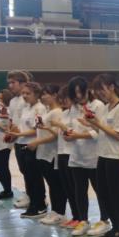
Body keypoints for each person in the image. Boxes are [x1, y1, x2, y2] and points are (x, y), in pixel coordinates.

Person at [83, 74, 119, 237]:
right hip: (103, 155)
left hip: (116, 157)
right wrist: (91, 123)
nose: (100, 93)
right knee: (104, 194)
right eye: (97, 91)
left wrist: (98, 124)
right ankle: (115, 227)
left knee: (116, 195)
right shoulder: (106, 107)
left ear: (111, 87)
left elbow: (118, 135)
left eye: (102, 89)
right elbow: (102, 130)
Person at [64, 77, 108, 237]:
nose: (78, 96)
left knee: (100, 190)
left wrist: (79, 135)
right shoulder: (73, 108)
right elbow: (70, 127)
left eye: (80, 92)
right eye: (74, 93)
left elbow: (100, 131)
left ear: (87, 90)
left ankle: (104, 220)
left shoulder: (98, 106)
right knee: (79, 191)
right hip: (77, 156)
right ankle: (83, 220)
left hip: (95, 157)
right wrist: (68, 135)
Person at [29, 85, 67, 225]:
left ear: (55, 95)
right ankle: (55, 211)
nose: (43, 97)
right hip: (43, 153)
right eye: (43, 94)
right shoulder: (47, 111)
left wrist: (37, 142)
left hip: (52, 153)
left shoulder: (57, 112)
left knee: (56, 184)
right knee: (51, 184)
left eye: (46, 94)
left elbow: (56, 134)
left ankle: (60, 212)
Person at [10, 82, 48, 218]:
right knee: (27, 176)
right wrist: (14, 132)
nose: (25, 96)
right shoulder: (26, 107)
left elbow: (37, 130)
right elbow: (22, 127)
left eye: (28, 93)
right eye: (23, 93)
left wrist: (19, 134)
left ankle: (40, 205)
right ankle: (33, 203)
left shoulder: (40, 108)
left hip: (32, 145)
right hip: (21, 144)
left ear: (36, 94)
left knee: (35, 176)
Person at [51, 88, 78, 229]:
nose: (63, 101)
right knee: (67, 188)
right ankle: (75, 216)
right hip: (61, 152)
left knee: (74, 188)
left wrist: (60, 125)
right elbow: (60, 134)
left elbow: (72, 133)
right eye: (61, 98)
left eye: (65, 98)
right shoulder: (64, 113)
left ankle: (80, 217)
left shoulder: (77, 113)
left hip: (71, 153)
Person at [7, 71, 31, 209]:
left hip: (29, 140)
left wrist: (17, 132)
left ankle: (38, 197)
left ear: (23, 83)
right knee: (24, 170)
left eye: (13, 82)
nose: (10, 86)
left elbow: (27, 122)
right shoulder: (12, 101)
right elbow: (12, 121)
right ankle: (29, 194)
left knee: (31, 172)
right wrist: (10, 133)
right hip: (18, 141)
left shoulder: (27, 100)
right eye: (9, 83)